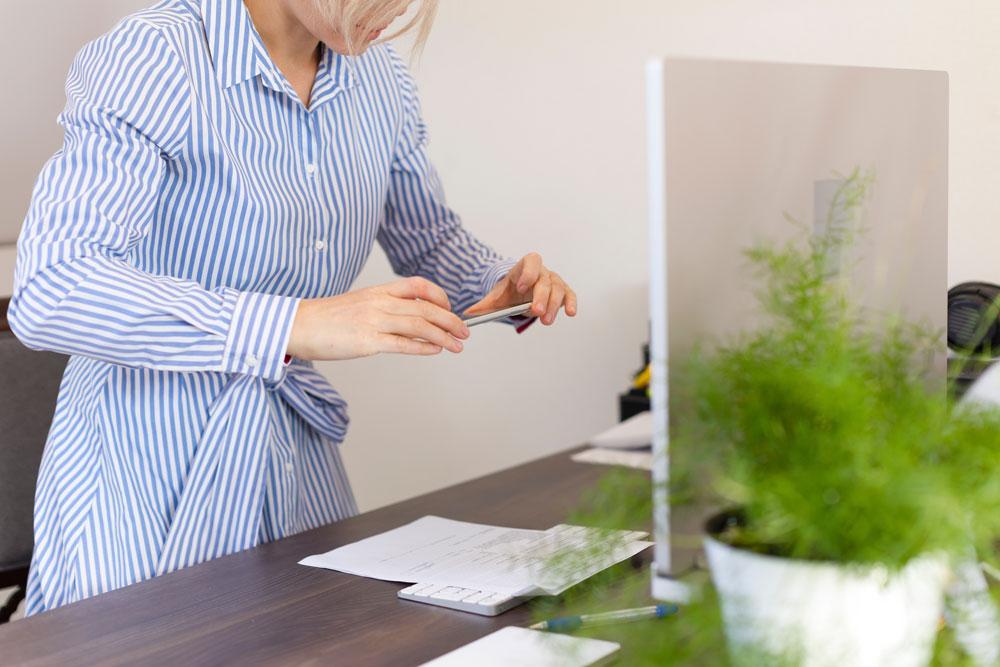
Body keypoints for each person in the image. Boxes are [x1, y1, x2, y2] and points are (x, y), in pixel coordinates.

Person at [9, 0, 576, 615]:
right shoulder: (157, 54)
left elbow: (429, 238)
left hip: (295, 458)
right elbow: (52, 288)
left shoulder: (377, 77)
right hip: (141, 473)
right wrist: (295, 323)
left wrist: (499, 286)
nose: (400, 11)